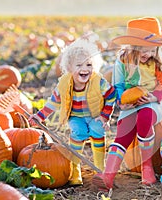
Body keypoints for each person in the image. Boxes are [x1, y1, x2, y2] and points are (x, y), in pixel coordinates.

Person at [92, 16, 162, 191]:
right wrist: (123, 102)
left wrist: (154, 97)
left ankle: (147, 168)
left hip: (153, 101)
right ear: (134, 46)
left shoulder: (158, 61)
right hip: (131, 103)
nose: (149, 54)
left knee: (145, 118)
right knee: (124, 130)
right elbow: (119, 86)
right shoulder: (122, 61)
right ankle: (108, 176)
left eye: (153, 50)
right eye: (145, 50)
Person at [28, 35, 116, 186]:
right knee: (78, 132)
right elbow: (53, 103)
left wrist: (104, 117)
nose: (84, 69)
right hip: (75, 117)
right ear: (69, 68)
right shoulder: (64, 84)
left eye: (88, 65)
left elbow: (111, 95)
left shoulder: (98, 82)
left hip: (95, 116)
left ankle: (100, 170)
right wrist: (40, 116)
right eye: (79, 65)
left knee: (97, 130)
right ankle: (75, 171)